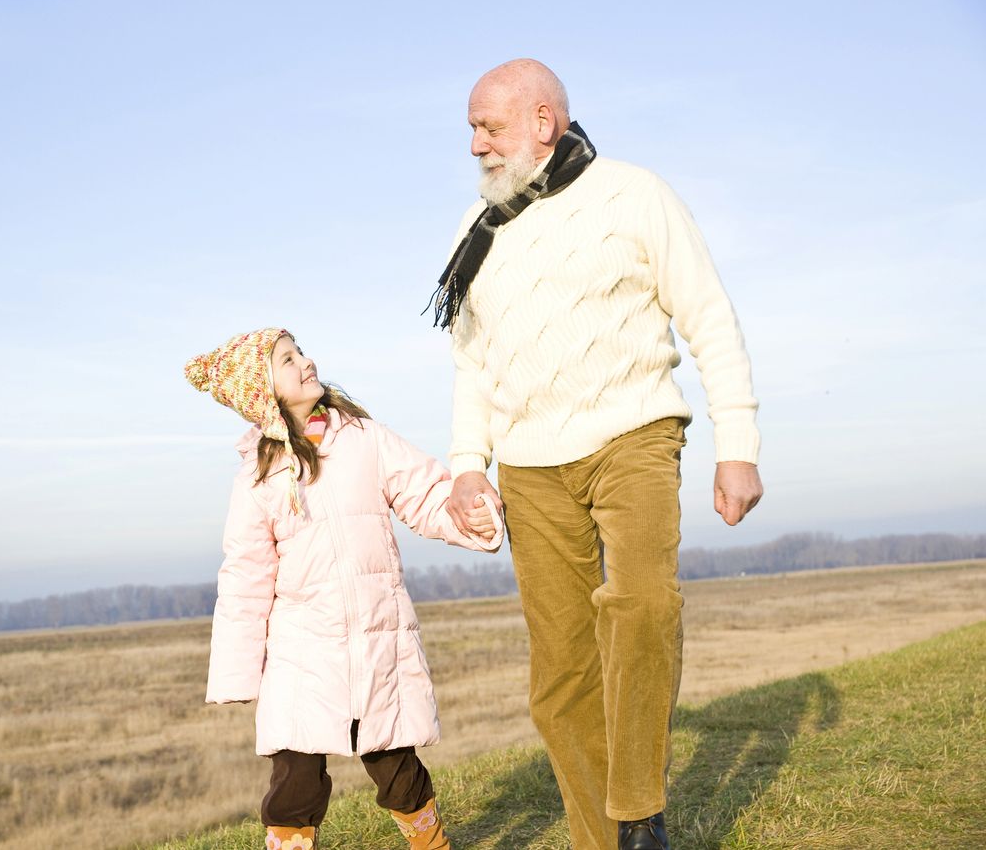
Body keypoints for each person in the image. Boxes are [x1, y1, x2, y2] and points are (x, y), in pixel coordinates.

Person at [428, 59, 764, 850]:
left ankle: (638, 806)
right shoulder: (475, 235)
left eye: (490, 126)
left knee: (643, 604)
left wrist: (737, 444)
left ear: (543, 123)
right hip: (530, 464)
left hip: (634, 433)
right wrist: (466, 465)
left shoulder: (633, 193)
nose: (475, 144)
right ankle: (601, 839)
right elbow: (473, 367)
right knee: (561, 673)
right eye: (472, 129)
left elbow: (708, 316)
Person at [185, 327, 503, 850]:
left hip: (376, 640)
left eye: (301, 351)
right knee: (294, 782)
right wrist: (237, 673)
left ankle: (431, 842)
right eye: (287, 360)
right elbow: (245, 577)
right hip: (301, 656)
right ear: (263, 392)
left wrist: (470, 517)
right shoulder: (258, 478)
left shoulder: (363, 438)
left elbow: (424, 494)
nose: (306, 362)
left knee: (397, 767)